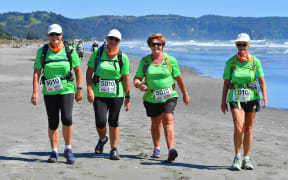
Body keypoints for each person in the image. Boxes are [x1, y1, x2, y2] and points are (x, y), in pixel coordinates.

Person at [133, 33, 190, 162]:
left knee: (168, 119)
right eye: (153, 44)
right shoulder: (145, 61)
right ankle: (157, 148)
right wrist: (139, 85)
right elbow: (137, 79)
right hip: (151, 96)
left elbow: (179, 78)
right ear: (149, 46)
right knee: (155, 122)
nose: (156, 46)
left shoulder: (170, 60)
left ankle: (171, 150)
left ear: (163, 45)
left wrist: (185, 94)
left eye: (159, 44)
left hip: (169, 94)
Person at [31, 24, 83, 164]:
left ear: (62, 35)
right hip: (50, 90)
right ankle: (54, 151)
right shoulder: (42, 52)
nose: (55, 37)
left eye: (57, 34)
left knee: (66, 117)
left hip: (67, 88)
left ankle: (68, 149)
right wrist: (35, 92)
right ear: (48, 36)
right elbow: (37, 73)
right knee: (53, 121)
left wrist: (79, 89)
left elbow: (78, 70)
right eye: (52, 34)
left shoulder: (70, 50)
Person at [221, 33, 268, 171]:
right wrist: (223, 101)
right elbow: (226, 83)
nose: (241, 47)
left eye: (244, 44)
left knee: (248, 129)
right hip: (235, 98)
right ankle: (237, 157)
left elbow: (261, 80)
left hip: (252, 97)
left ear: (249, 46)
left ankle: (246, 159)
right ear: (236, 45)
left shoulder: (255, 62)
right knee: (238, 126)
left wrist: (265, 96)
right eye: (239, 44)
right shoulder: (231, 62)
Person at [86, 29, 130, 160]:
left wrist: (128, 97)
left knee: (113, 121)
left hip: (117, 94)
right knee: (100, 122)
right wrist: (89, 90)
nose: (113, 41)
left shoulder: (123, 57)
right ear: (107, 39)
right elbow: (89, 74)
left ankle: (114, 148)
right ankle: (102, 138)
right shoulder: (97, 54)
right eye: (111, 38)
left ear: (119, 41)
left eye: (116, 40)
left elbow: (126, 79)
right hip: (99, 93)